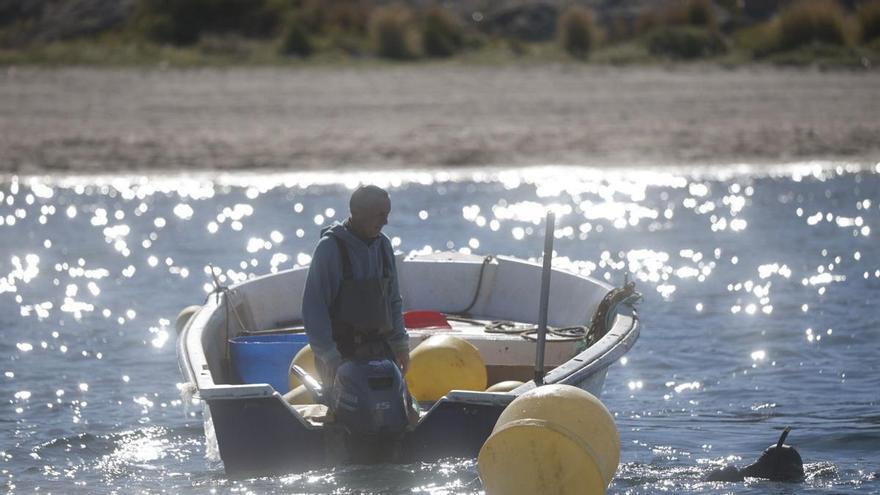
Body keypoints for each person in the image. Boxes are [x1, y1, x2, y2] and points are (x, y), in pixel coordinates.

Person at [302, 185, 410, 387]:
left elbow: (394, 300)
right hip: (341, 356)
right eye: (379, 215)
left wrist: (401, 345)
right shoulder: (329, 249)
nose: (385, 221)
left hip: (381, 353)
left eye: (387, 215)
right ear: (357, 213)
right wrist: (331, 358)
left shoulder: (384, 246)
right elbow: (313, 309)